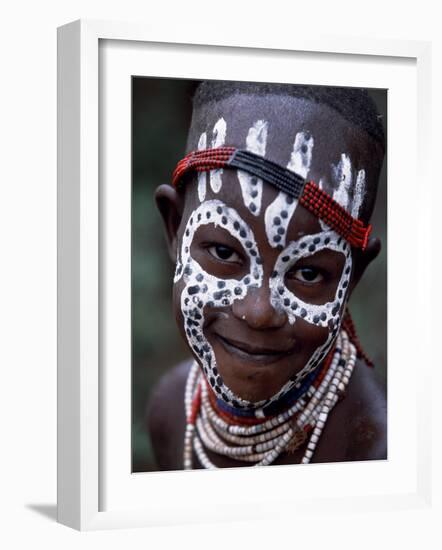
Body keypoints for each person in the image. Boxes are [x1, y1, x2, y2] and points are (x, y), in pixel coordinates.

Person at [147, 80, 387, 470]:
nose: (259, 312)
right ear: (176, 228)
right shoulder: (170, 409)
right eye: (224, 252)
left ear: (351, 277)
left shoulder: (381, 452)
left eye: (308, 272)